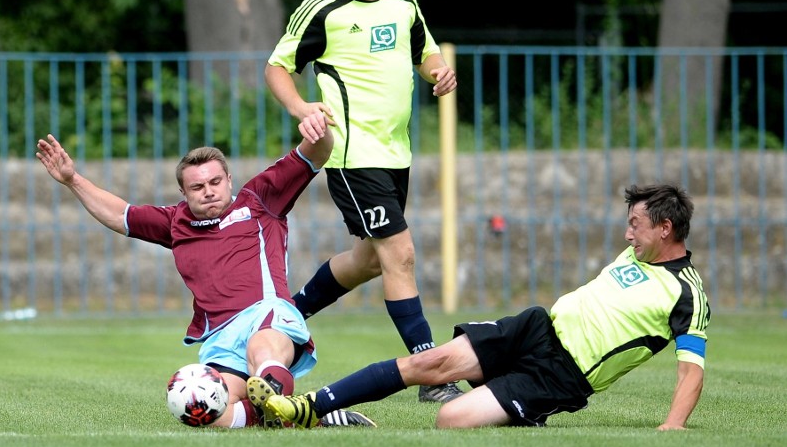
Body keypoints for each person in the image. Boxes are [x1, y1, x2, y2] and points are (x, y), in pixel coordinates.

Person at [249, 184, 711, 430]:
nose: (628, 235)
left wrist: (672, 426)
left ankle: (526, 411)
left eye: (636, 225)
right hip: (536, 328)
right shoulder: (636, 253)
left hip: (560, 376)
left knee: (451, 419)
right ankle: (307, 407)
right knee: (428, 364)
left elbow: (691, 370)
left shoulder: (688, 295)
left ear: (665, 228)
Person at [35, 112, 374, 429]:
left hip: (267, 315)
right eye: (197, 187)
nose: (209, 191)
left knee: (263, 351)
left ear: (228, 180)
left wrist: (319, 128)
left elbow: (315, 153)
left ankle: (288, 402)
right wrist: (72, 180)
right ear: (183, 193)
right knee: (206, 410)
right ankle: (304, 414)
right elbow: (119, 215)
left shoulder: (260, 200)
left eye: (215, 182)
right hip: (221, 338)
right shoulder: (175, 222)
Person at [264, 0, 461, 403]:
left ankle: (285, 316)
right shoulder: (322, 10)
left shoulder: (403, 1)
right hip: (353, 155)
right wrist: (302, 107)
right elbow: (277, 67)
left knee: (370, 261)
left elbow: (426, 52)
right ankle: (431, 368)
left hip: (397, 152)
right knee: (401, 253)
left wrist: (439, 72)